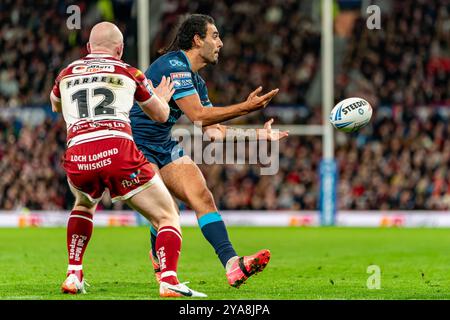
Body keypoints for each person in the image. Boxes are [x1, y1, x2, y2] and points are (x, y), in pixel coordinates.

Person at [130, 14, 288, 288]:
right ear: (197, 39)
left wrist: (258, 135)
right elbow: (198, 115)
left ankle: (232, 265)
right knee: (167, 209)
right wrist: (245, 107)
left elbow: (212, 130)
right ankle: (165, 274)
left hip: (163, 144)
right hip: (135, 143)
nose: (221, 43)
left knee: (202, 196)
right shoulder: (174, 64)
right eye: (215, 36)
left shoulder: (196, 82)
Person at [50, 21, 206, 298]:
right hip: (118, 150)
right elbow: (159, 115)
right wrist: (159, 97)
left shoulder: (67, 72)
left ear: (88, 48)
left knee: (84, 204)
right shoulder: (129, 71)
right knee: (167, 214)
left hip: (78, 154)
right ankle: (169, 279)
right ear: (120, 50)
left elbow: (55, 104)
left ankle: (74, 273)